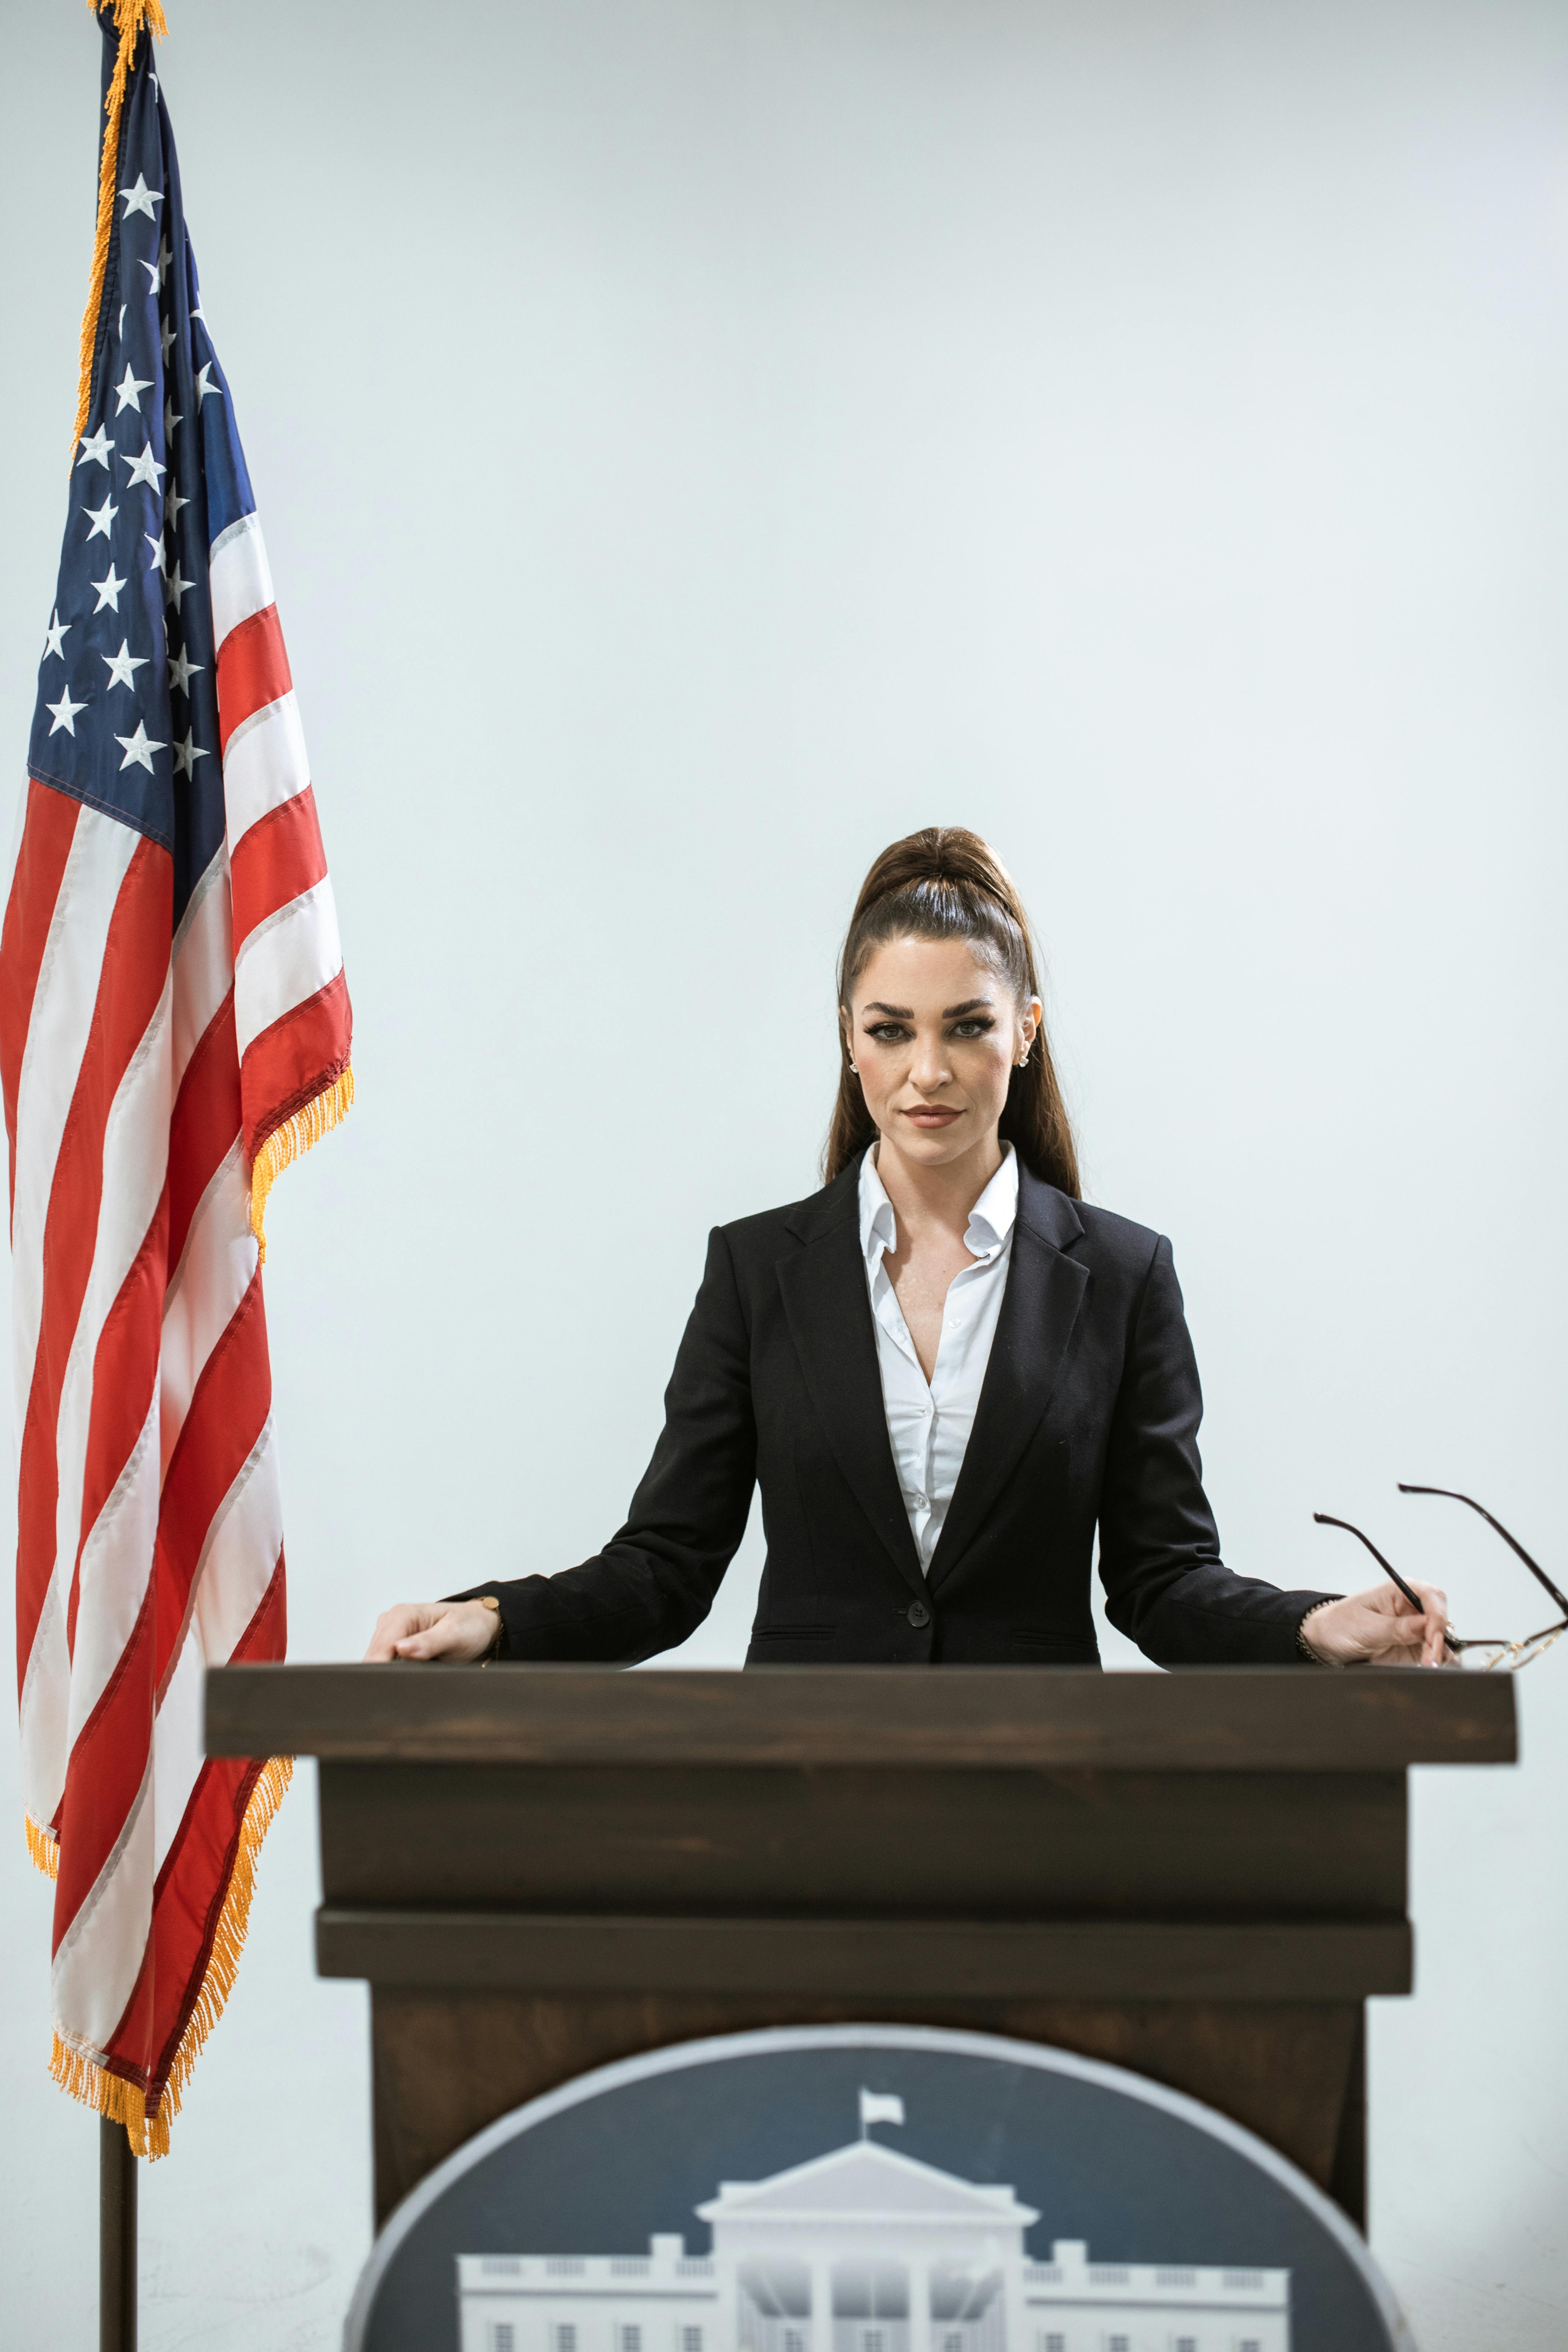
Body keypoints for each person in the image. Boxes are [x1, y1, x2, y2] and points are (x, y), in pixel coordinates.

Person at [365, 827, 1448, 1671]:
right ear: (849, 1038)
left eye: (965, 1026)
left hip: (1045, 1799)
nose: (925, 1070)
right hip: (800, 1798)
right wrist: (496, 1621)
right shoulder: (756, 1272)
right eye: (891, 1030)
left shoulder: (1122, 1279)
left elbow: (1160, 1581)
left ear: (1023, 1030)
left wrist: (1316, 1628)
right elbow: (667, 1565)